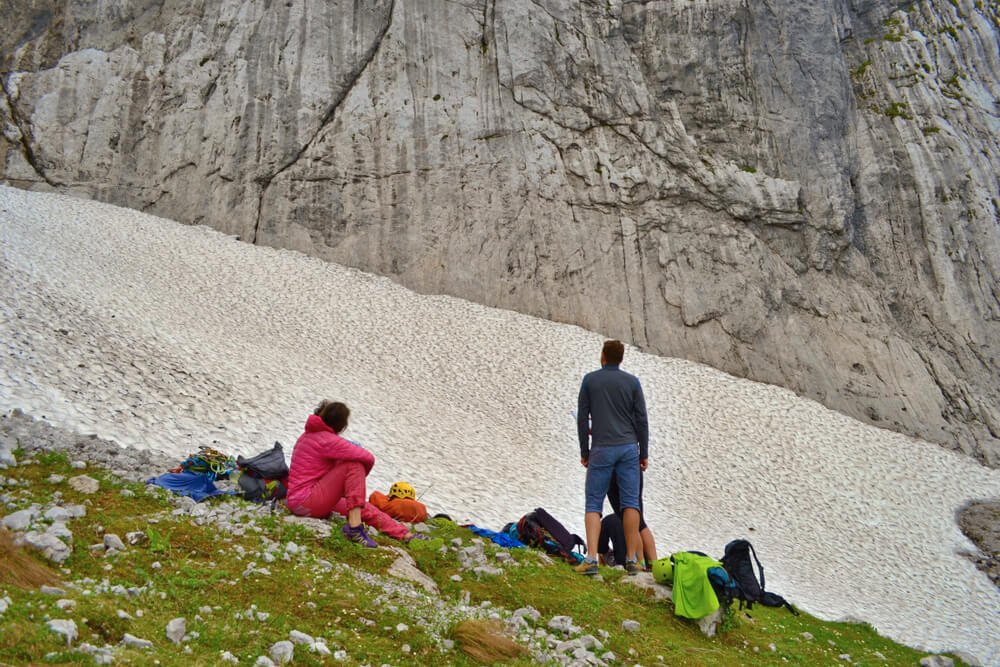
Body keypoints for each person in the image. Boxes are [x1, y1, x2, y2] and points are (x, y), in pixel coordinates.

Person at [285, 400, 419, 547]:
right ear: (342, 426)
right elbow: (368, 458)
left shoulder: (307, 436)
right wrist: (354, 484)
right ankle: (354, 528)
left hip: (300, 502)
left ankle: (405, 534)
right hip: (308, 501)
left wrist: (351, 489)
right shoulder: (328, 440)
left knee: (361, 506)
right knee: (354, 465)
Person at [575, 339, 649, 575]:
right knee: (630, 503)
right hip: (628, 448)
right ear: (621, 358)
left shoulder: (590, 380)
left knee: (593, 503)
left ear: (603, 356)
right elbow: (641, 421)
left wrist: (584, 452)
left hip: (602, 448)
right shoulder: (633, 383)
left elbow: (582, 418)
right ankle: (631, 560)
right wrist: (644, 453)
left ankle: (591, 560)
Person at [606, 472, 658, 569]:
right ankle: (655, 565)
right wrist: (643, 456)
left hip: (614, 468)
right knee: (640, 523)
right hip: (634, 466)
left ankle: (640, 563)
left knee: (627, 520)